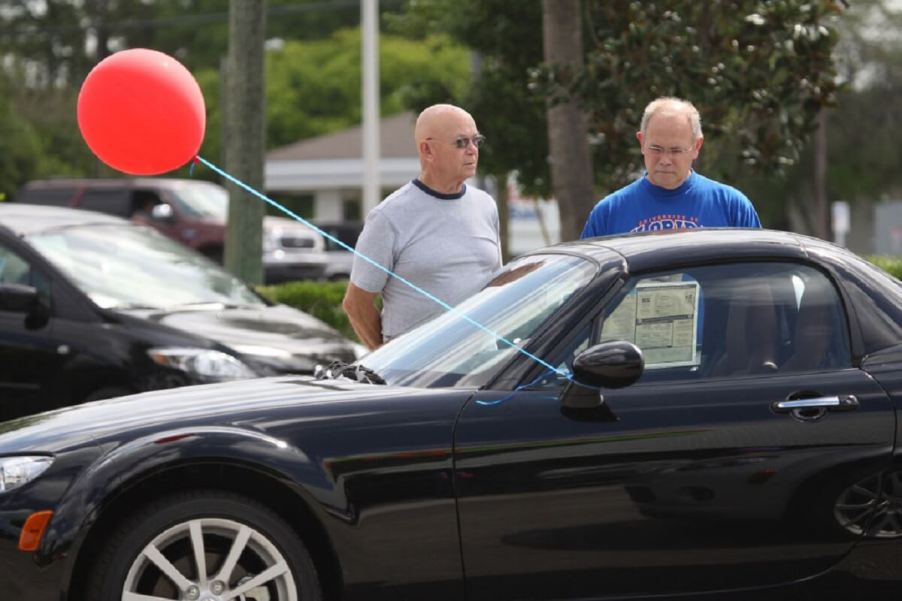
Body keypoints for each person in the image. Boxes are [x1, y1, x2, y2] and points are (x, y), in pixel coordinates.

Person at [342, 104, 502, 350]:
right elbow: (356, 304)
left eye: (476, 141)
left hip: (485, 371)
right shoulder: (388, 217)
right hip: (419, 379)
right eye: (461, 142)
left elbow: (496, 287)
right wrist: (388, 361)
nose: (472, 150)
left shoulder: (486, 205)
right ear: (427, 150)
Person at [581, 97, 761, 238]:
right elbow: (587, 279)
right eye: (656, 149)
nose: (665, 160)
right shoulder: (608, 214)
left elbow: (759, 275)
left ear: (696, 147)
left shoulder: (731, 207)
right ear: (642, 142)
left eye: (676, 150)